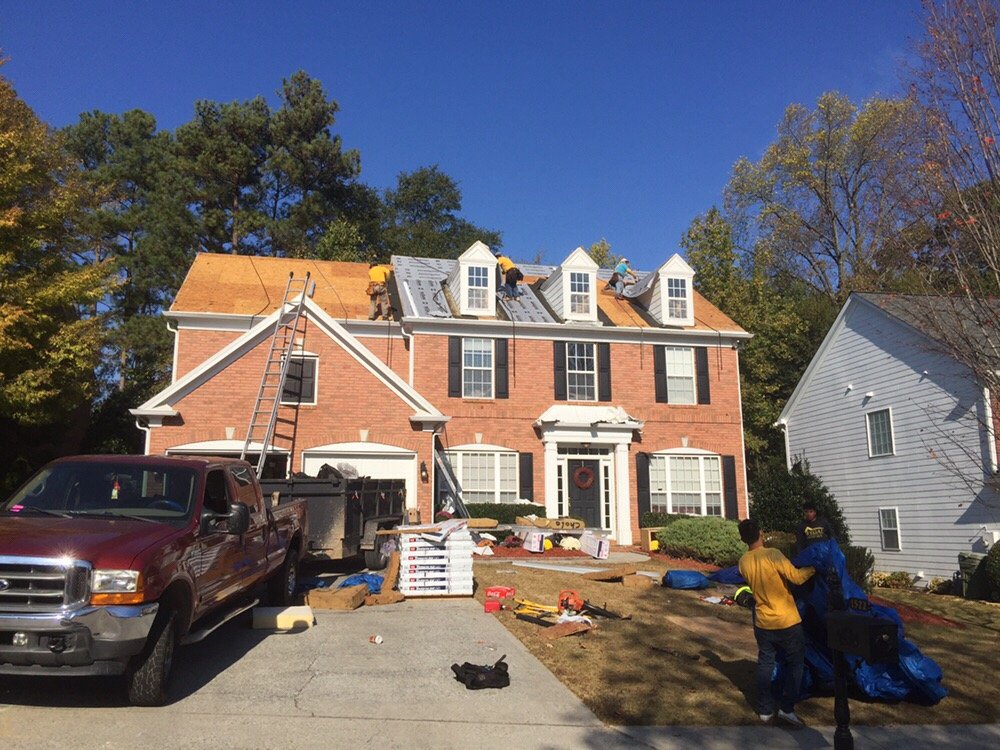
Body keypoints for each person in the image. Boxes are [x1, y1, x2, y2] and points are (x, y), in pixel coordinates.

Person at [738, 518, 816, 726]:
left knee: (765, 663)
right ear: (761, 533)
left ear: (743, 539)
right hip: (787, 621)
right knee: (796, 664)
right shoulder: (773, 555)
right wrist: (814, 568)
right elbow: (797, 578)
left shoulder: (743, 562)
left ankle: (764, 710)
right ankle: (787, 708)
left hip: (763, 622)